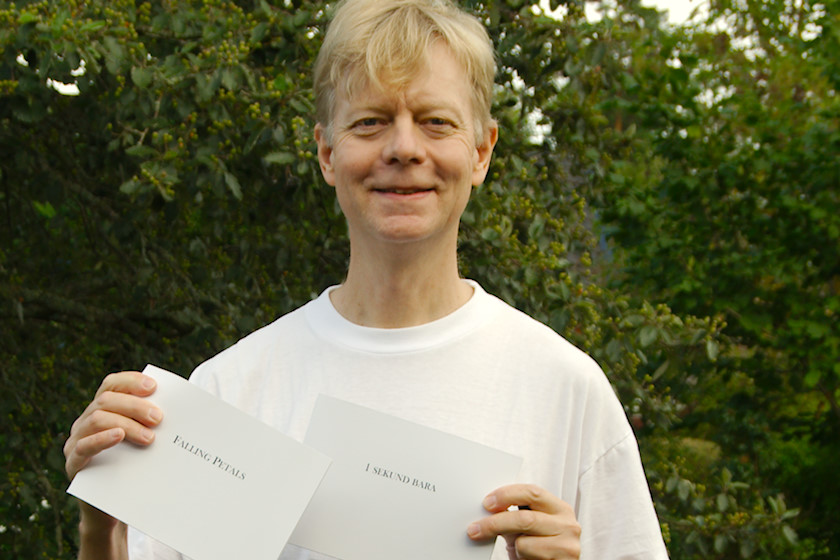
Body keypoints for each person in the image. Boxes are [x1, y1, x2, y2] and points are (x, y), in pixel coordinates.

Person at [63, 0, 669, 559]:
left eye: (435, 121)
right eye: (371, 122)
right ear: (327, 153)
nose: (404, 148)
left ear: (482, 152)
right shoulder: (229, 391)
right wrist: (101, 531)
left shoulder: (567, 393)